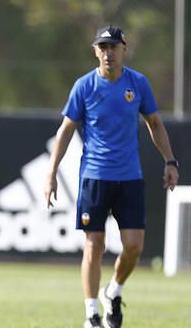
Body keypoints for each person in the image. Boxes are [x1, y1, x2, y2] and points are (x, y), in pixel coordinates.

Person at [44, 26, 179, 328]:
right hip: (95, 177)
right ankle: (91, 313)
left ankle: (113, 292)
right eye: (102, 47)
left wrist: (170, 160)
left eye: (113, 47)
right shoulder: (84, 86)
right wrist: (51, 173)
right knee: (94, 245)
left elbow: (154, 123)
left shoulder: (138, 84)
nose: (108, 52)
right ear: (95, 52)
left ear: (123, 50)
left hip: (129, 178)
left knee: (134, 247)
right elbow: (66, 130)